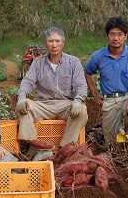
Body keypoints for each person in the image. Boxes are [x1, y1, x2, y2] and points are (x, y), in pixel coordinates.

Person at [16, 27, 88, 158]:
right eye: (50, 41)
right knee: (24, 104)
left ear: (63, 43)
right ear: (46, 43)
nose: (54, 45)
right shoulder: (38, 63)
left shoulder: (73, 62)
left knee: (82, 109)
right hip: (44, 105)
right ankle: (34, 142)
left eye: (57, 41)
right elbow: (27, 82)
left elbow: (81, 85)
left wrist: (78, 101)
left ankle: (64, 148)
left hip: (66, 105)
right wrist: (21, 97)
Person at [85, 16, 128, 155]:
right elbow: (88, 72)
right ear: (107, 36)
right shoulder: (98, 56)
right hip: (109, 101)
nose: (115, 38)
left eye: (119, 34)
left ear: (125, 37)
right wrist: (94, 94)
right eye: (112, 34)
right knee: (112, 148)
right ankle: (109, 135)